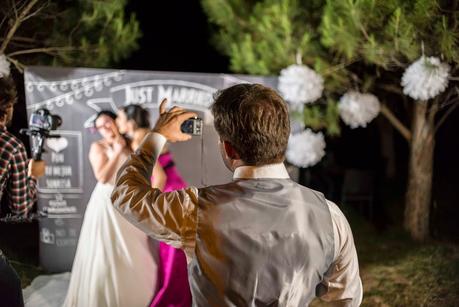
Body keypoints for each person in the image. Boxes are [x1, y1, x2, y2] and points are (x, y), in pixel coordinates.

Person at [111, 84, 363, 306]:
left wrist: (156, 137)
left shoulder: (195, 208)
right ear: (283, 139)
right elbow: (347, 298)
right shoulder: (330, 216)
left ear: (228, 147)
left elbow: (125, 194)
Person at [63, 110, 158, 307]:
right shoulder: (97, 147)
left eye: (107, 122)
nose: (104, 127)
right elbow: (103, 177)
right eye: (99, 126)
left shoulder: (133, 143)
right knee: (106, 250)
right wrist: (116, 151)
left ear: (115, 121)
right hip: (106, 204)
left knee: (134, 248)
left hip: (129, 202)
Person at [116, 104, 192, 307]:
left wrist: (148, 206)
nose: (117, 122)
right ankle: (178, 296)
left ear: (130, 121)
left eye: (119, 117)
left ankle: (171, 299)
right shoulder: (147, 134)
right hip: (176, 190)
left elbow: (159, 176)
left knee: (172, 251)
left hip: (168, 193)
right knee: (175, 249)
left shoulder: (140, 139)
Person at [0, 76, 45, 307]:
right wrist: (33, 175)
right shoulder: (10, 145)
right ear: (6, 107)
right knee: (10, 294)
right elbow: (21, 206)